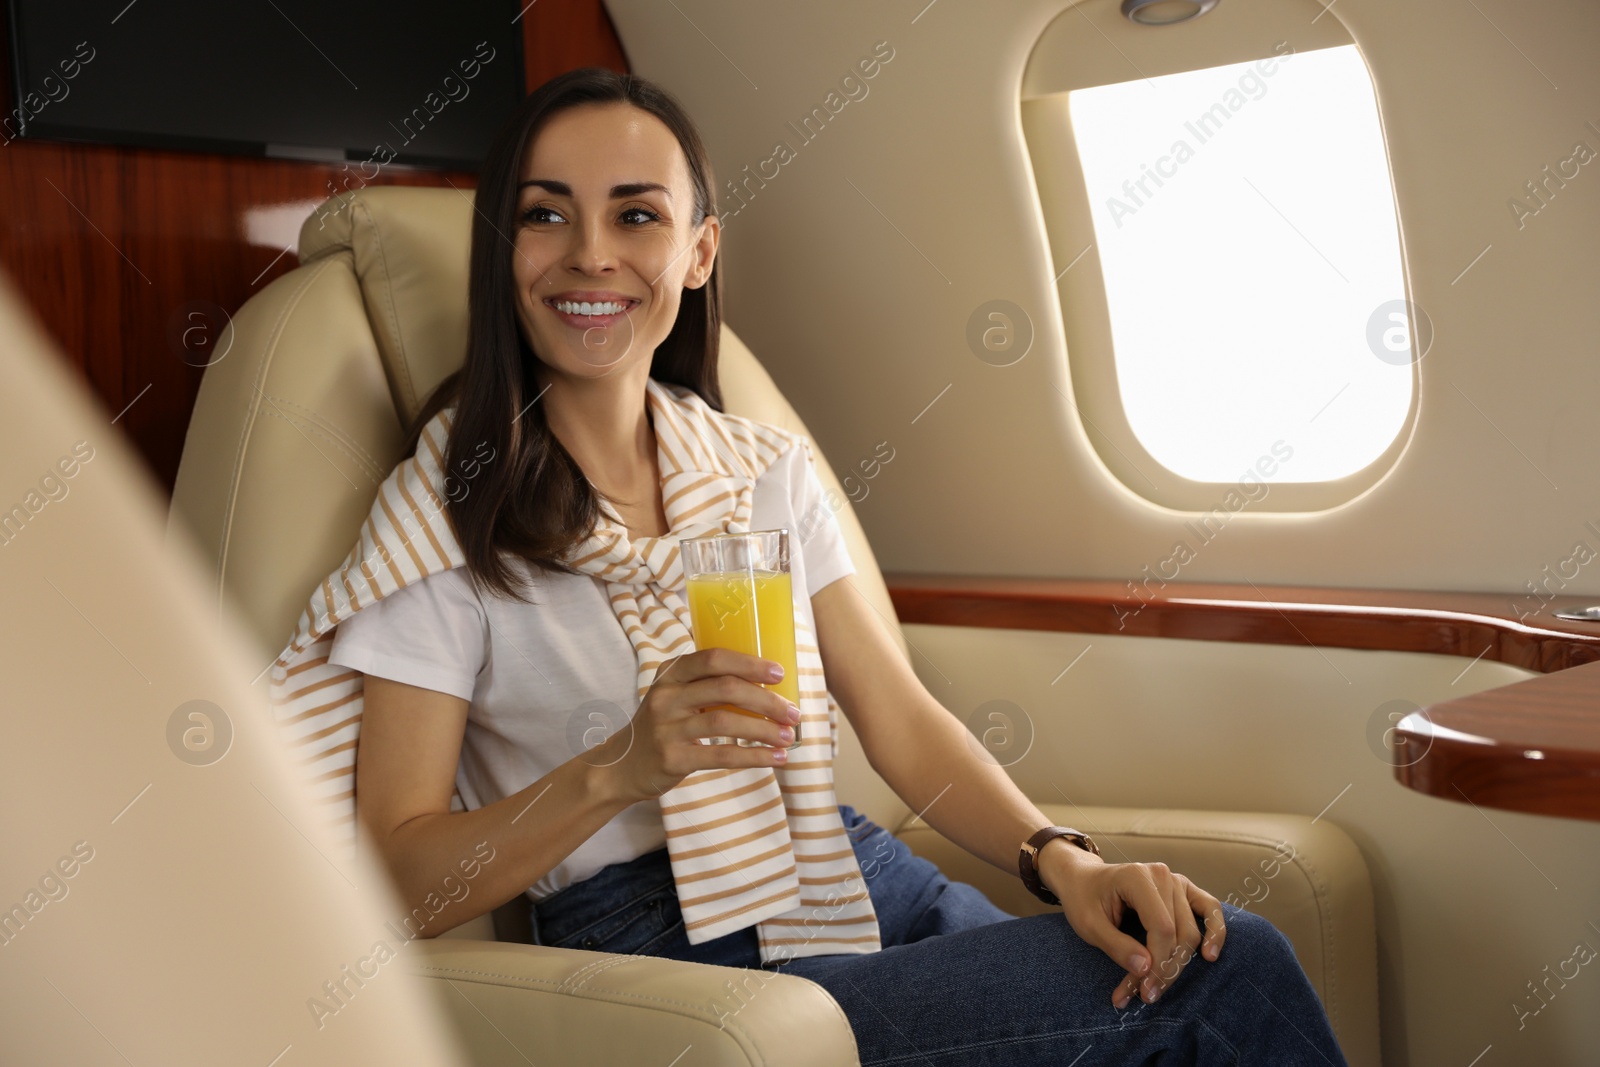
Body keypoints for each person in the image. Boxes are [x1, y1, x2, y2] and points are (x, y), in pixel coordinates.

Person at [327, 66, 1349, 1065]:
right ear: (503, 248)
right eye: (546, 215)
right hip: (657, 940)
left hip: (841, 865)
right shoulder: (443, 512)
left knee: (1179, 956)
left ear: (697, 252)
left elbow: (896, 715)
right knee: (1233, 972)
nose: (589, 254)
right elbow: (399, 873)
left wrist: (1061, 858)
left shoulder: (755, 469)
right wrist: (620, 767)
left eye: (636, 215)